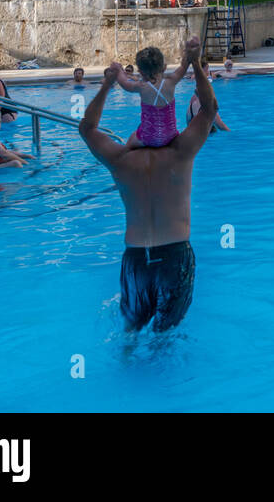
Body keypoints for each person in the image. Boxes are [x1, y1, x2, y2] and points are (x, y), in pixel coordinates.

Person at [78, 38, 215, 333]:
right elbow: (208, 110)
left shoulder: (121, 160)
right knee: (165, 336)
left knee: (129, 333)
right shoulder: (181, 153)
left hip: (136, 258)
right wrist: (194, 63)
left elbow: (87, 129)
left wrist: (107, 84)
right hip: (175, 255)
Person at [114, 46, 189, 149]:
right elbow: (184, 67)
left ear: (140, 72)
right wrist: (189, 54)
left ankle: (126, 157)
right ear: (164, 67)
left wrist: (118, 70)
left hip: (148, 138)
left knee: (132, 139)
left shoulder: (140, 86)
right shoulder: (171, 81)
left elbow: (124, 82)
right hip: (171, 136)